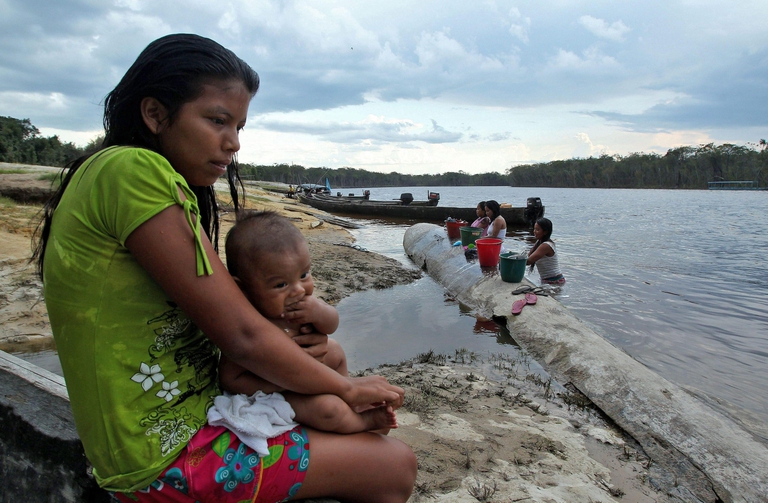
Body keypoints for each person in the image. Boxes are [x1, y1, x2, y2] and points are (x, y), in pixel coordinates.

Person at [33, 33, 416, 503]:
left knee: (344, 416)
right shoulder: (133, 172)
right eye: (217, 120)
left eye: (239, 126)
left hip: (198, 413)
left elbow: (235, 318)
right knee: (395, 466)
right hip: (161, 453)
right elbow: (241, 336)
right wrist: (347, 388)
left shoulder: (125, 173)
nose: (232, 142)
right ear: (154, 114)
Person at [221, 210, 397, 434]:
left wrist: (319, 312)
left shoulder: (304, 305)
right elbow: (230, 379)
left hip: (314, 377)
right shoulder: (248, 323)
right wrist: (283, 380)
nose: (298, 290)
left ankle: (347, 394)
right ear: (243, 288)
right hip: (279, 392)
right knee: (329, 408)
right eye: (280, 285)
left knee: (335, 351)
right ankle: (364, 423)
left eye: (304, 275)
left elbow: (331, 325)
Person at [526, 217, 566, 285]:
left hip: (554, 281)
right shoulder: (539, 242)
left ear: (545, 232)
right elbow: (529, 256)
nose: (534, 231)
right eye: (534, 229)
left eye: (538, 229)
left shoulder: (546, 245)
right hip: (548, 280)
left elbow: (529, 261)